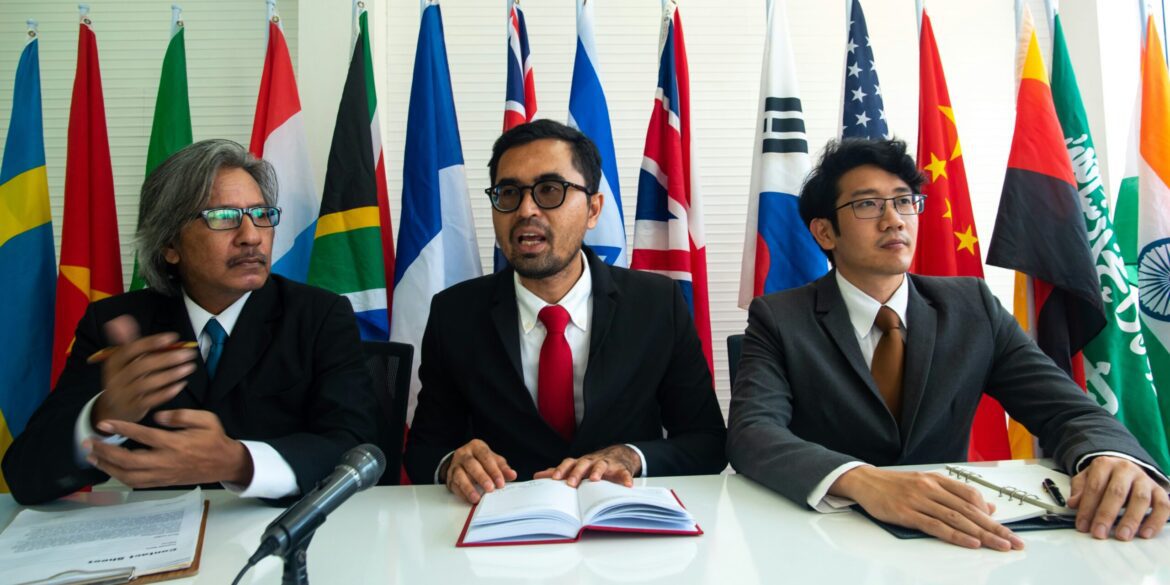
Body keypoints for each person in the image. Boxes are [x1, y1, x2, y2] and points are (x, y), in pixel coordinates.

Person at [727, 138, 1170, 550]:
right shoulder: (780, 317)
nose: (894, 219)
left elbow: (1065, 409)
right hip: (826, 537)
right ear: (825, 233)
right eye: (867, 204)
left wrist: (1109, 455)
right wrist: (862, 480)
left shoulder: (972, 306)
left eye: (904, 201)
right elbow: (753, 434)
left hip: (954, 536)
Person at [2, 139, 377, 505]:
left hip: (281, 529)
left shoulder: (319, 315)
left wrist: (239, 462)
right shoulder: (118, 324)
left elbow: (356, 447)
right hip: (155, 535)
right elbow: (24, 477)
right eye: (224, 218)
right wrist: (100, 416)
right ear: (170, 245)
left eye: (262, 215)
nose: (251, 237)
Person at [403, 120, 726, 503]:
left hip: (620, 518)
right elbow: (424, 449)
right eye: (509, 193)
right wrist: (452, 463)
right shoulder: (455, 313)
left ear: (593, 209)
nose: (526, 210)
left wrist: (631, 456)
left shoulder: (656, 304)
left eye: (549, 190)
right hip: (504, 520)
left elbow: (708, 442)